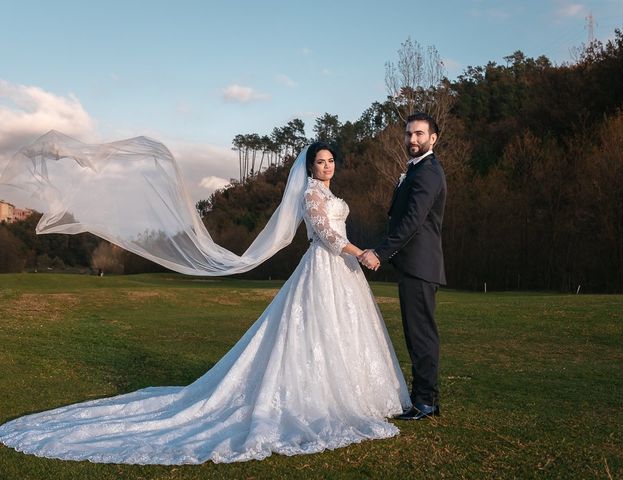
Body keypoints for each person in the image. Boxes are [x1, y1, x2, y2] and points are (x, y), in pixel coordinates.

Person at [0, 141, 411, 464]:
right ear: (308, 167)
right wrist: (361, 252)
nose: (325, 166)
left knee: (343, 331)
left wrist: (357, 257)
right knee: (314, 332)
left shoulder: (328, 192)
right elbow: (326, 236)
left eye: (329, 161)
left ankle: (357, 395)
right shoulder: (310, 196)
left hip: (344, 275)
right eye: (319, 162)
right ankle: (319, 398)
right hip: (326, 266)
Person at [359, 113, 447, 420]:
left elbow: (411, 221)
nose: (413, 139)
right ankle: (423, 397)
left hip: (421, 266)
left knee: (421, 334)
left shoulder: (429, 172)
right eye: (409, 134)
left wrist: (380, 254)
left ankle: (425, 402)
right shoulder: (416, 170)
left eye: (419, 134)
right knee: (415, 333)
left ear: (433, 138)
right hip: (413, 265)